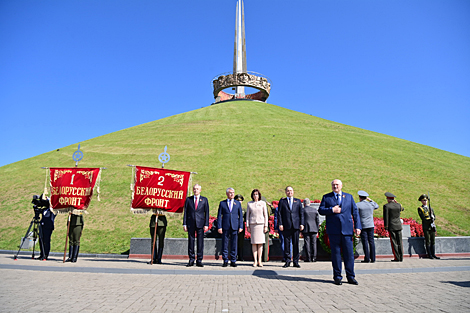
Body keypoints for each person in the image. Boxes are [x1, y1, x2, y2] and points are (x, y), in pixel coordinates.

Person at [319, 179, 362, 285]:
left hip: (347, 230)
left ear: (341, 186)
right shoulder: (326, 197)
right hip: (334, 231)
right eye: (333, 185)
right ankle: (337, 277)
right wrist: (331, 210)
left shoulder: (349, 197)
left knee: (349, 255)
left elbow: (355, 212)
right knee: (336, 255)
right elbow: (320, 210)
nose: (335, 186)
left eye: (337, 185)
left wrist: (358, 226)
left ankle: (351, 276)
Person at [183, 184, 210, 267]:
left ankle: (199, 260)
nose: (195, 190)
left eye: (197, 189)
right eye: (194, 189)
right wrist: (184, 223)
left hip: (200, 224)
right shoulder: (188, 199)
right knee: (191, 242)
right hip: (191, 223)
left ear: (200, 190)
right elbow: (186, 213)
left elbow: (207, 213)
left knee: (200, 242)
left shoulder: (204, 200)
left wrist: (206, 224)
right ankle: (191, 259)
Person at [277, 186, 304, 268]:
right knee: (287, 244)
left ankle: (296, 261)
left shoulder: (298, 201)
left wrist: (302, 224)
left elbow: (301, 214)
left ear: (293, 191)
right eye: (288, 191)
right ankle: (287, 261)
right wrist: (280, 224)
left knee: (296, 244)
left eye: (291, 190)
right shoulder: (282, 201)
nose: (289, 192)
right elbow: (279, 214)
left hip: (296, 226)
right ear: (285, 192)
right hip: (286, 225)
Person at [217, 188, 243, 267]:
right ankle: (225, 260)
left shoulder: (237, 203)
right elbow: (219, 216)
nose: (232, 194)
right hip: (225, 226)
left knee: (234, 243)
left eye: (233, 193)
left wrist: (241, 226)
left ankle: (233, 260)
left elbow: (240, 216)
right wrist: (219, 226)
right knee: (225, 243)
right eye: (230, 193)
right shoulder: (222, 203)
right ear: (227, 194)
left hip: (234, 226)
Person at [246, 189, 268, 267]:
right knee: (254, 243)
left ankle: (260, 260)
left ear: (259, 195)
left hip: (261, 225)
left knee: (260, 243)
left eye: (257, 194)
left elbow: (266, 215)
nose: (255, 196)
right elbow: (247, 216)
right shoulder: (249, 204)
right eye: (254, 194)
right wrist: (248, 226)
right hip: (253, 225)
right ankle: (255, 260)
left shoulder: (263, 203)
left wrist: (266, 226)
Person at [356, 190, 379, 263]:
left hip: (363, 225)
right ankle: (373, 258)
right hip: (371, 225)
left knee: (365, 242)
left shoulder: (358, 205)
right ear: (366, 197)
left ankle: (367, 258)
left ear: (360, 197)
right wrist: (370, 200)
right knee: (371, 241)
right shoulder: (371, 204)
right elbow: (377, 205)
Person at [417, 194, 440, 259]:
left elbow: (434, 216)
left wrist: (433, 218)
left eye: (426, 200)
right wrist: (430, 220)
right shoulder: (420, 209)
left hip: (432, 226)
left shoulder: (431, 208)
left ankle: (433, 254)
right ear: (421, 201)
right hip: (426, 226)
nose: (425, 201)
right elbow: (423, 218)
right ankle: (429, 255)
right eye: (424, 200)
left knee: (433, 240)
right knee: (428, 240)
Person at [383, 192, 404, 262]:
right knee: (400, 242)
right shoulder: (398, 205)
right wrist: (398, 203)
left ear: (388, 199)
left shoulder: (386, 206)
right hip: (398, 225)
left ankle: (397, 257)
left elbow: (386, 217)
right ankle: (401, 257)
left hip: (392, 226)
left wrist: (386, 227)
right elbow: (402, 209)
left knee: (394, 242)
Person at [302, 198, 319, 262]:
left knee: (307, 243)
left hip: (306, 228)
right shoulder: (314, 210)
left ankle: (308, 258)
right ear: (310, 203)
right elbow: (317, 220)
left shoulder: (303, 210)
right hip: (314, 228)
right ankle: (314, 258)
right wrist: (317, 229)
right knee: (314, 243)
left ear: (304, 204)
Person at [235, 194, 246, 261]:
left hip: (241, 226)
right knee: (234, 241)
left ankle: (241, 256)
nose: (239, 202)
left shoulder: (243, 210)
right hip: (234, 226)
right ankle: (234, 255)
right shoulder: (233, 208)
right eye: (237, 200)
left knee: (241, 242)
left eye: (240, 200)